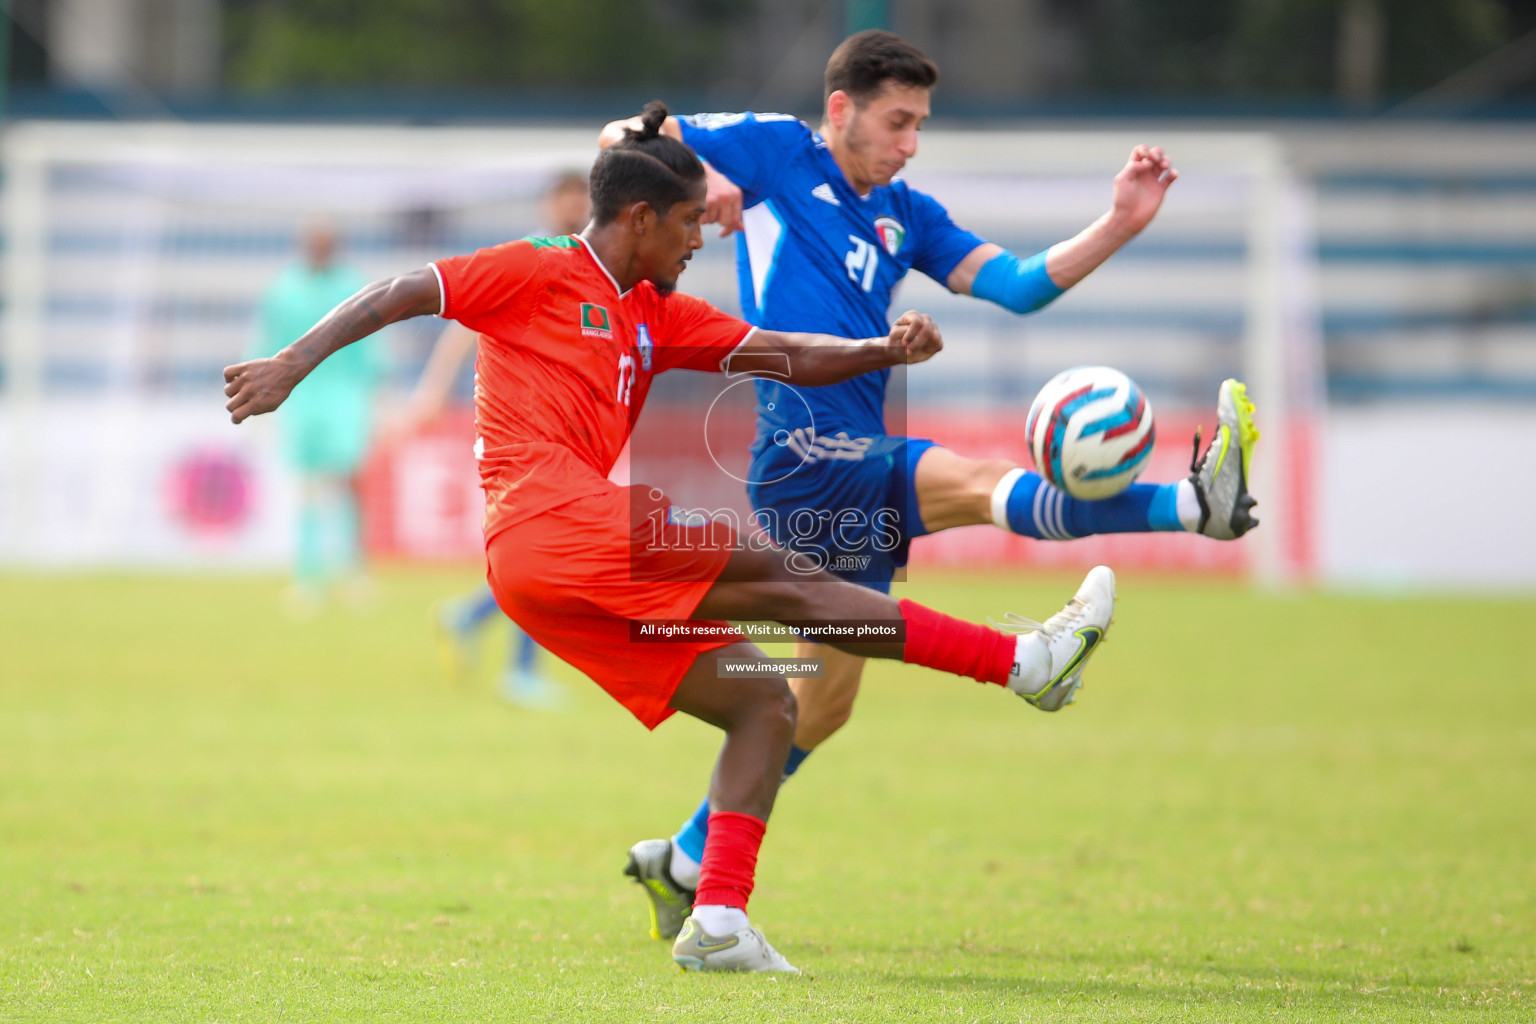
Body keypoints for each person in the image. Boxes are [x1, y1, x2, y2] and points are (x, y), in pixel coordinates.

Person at [223, 105, 1118, 973]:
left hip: (541, 578)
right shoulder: (539, 269)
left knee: (766, 702)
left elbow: (787, 354)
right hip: (551, 522)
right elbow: (405, 291)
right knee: (787, 579)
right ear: (641, 217)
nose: (704, 238)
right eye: (692, 221)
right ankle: (1023, 663)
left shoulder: (656, 315)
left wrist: (884, 351)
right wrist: (289, 366)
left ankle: (719, 915)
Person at [599, 30, 1260, 942]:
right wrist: (690, 176)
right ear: (842, 110)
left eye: (921, 124)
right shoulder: (779, 151)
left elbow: (1020, 287)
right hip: (805, 458)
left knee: (818, 707)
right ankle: (1191, 507)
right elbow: (621, 146)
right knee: (984, 482)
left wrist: (1120, 224)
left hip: (846, 459)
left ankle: (683, 861)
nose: (911, 141)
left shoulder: (906, 213)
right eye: (897, 121)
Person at [405, 171, 591, 708]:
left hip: (572, 429)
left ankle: (470, 619)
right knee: (544, 552)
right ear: (548, 205)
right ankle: (518, 668)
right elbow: (463, 321)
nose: (573, 206)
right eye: (565, 197)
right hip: (523, 432)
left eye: (580, 197)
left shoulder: (598, 268)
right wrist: (434, 390)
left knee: (545, 554)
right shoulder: (527, 261)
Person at [253, 222, 388, 615]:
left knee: (348, 482)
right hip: (301, 398)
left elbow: (371, 342)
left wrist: (378, 393)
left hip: (345, 394)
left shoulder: (354, 284)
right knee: (308, 485)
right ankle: (308, 576)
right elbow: (267, 340)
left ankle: (353, 570)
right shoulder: (283, 288)